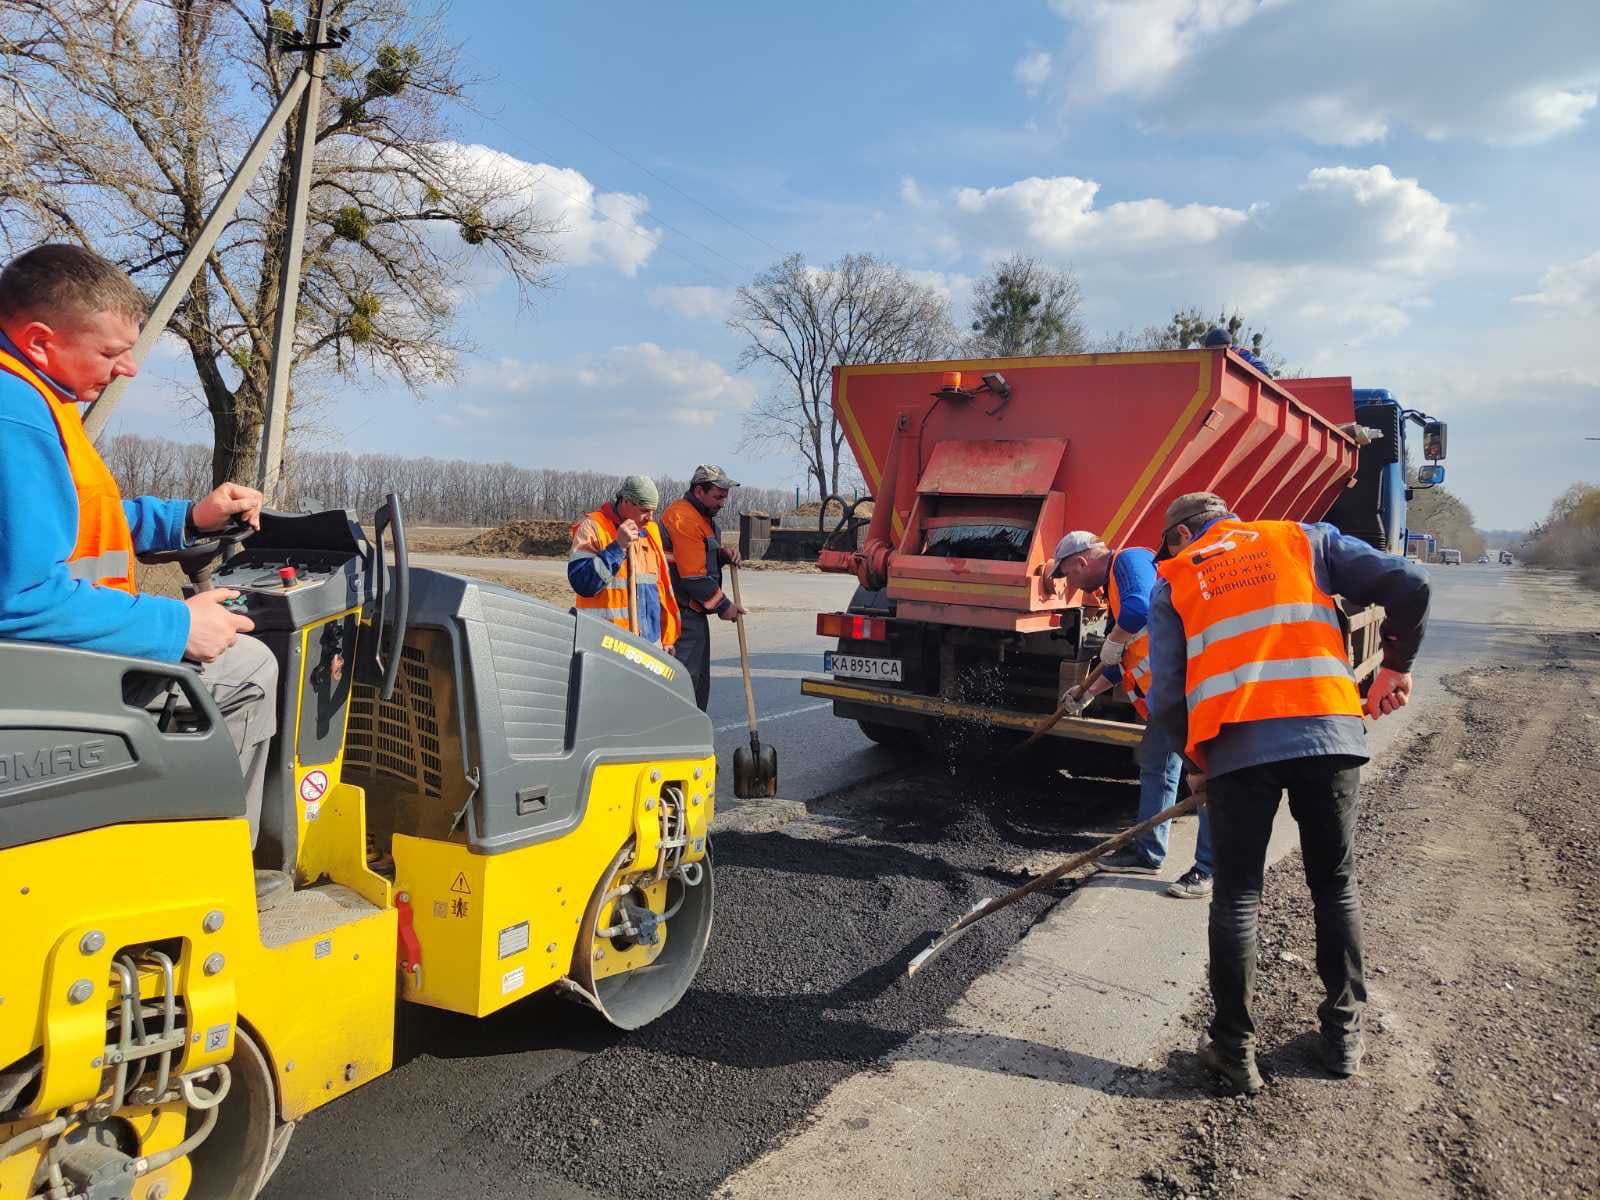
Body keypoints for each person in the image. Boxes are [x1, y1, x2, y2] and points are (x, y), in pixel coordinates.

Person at [1146, 491, 1429, 1094]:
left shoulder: (1175, 578)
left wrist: (1197, 763)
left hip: (1236, 751)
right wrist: (1395, 667)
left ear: (1178, 538)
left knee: (1239, 895)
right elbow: (1409, 581)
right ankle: (1344, 1038)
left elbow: (1168, 696)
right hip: (1328, 733)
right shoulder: (1304, 539)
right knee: (1334, 884)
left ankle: (1233, 1053)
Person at [0, 244, 279, 852]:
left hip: (46, 656)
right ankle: (212, 868)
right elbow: (16, 601)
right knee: (251, 667)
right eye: (111, 352)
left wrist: (191, 519)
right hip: (35, 675)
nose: (128, 369)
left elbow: (72, 521)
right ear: (41, 339)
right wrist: (176, 625)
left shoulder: (32, 394)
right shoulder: (14, 414)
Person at [1050, 529, 1213, 898]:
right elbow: (1117, 662)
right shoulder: (1112, 591)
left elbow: (1140, 609)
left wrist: (1114, 640)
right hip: (1166, 698)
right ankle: (1148, 852)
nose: (1073, 585)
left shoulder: (1128, 561)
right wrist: (1086, 692)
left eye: (1070, 575)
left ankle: (1207, 869)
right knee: (1156, 765)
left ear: (1081, 561)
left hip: (1189, 686)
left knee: (1203, 775)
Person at [660, 465, 744, 711]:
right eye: (718, 496)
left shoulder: (704, 519)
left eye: (726, 496)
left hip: (692, 613)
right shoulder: (683, 518)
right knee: (684, 682)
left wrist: (722, 555)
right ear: (699, 491)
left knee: (698, 682)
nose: (723, 503)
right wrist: (724, 605)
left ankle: (692, 738)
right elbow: (693, 577)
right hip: (679, 614)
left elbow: (700, 557)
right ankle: (679, 739)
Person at [567, 474, 680, 652]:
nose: (649, 518)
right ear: (626, 501)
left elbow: (661, 589)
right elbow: (582, 583)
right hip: (606, 647)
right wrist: (617, 547)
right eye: (644, 510)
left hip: (650, 647)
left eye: (653, 511)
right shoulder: (592, 527)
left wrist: (667, 639)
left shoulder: (651, 531)